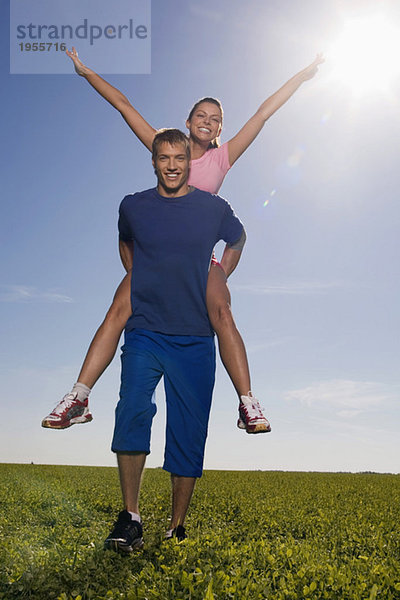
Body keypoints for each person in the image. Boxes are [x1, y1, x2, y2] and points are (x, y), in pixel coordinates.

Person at [41, 48, 323, 434]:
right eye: (201, 116)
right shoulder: (166, 146)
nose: (208, 122)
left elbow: (262, 113)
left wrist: (302, 75)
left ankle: (248, 403)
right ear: (188, 122)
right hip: (154, 259)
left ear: (219, 130)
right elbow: (124, 106)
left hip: (199, 263)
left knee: (222, 312)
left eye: (216, 119)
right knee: (117, 310)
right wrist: (85, 71)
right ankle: (78, 396)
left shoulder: (222, 159)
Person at [104, 128, 246, 550]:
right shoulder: (134, 205)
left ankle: (176, 525)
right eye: (163, 158)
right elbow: (125, 239)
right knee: (132, 409)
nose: (171, 165)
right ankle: (130, 518)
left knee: (187, 430)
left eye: (178, 158)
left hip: (196, 336)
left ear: (190, 162)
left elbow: (237, 238)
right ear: (153, 161)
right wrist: (138, 275)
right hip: (146, 329)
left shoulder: (213, 208)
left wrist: (220, 271)